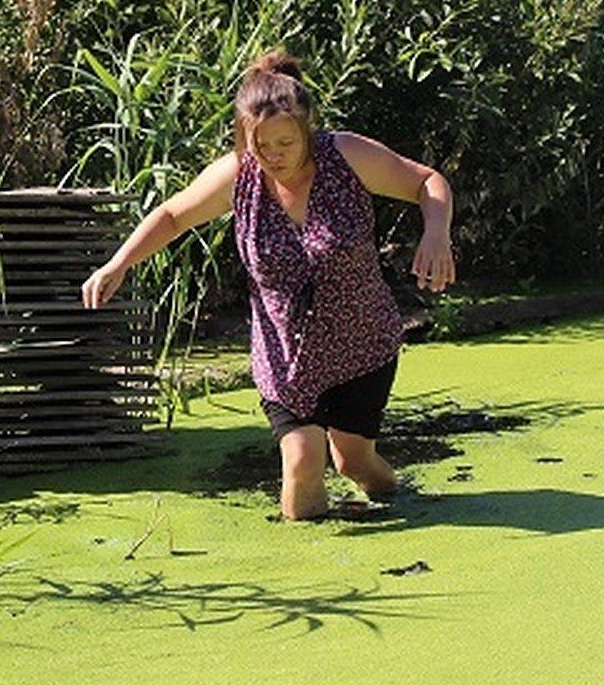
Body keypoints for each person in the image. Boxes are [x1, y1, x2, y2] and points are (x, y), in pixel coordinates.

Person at [81, 49, 455, 520]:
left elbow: (427, 182)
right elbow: (173, 215)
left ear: (307, 131)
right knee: (301, 462)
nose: (275, 156)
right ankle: (313, 572)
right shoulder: (239, 177)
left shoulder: (346, 156)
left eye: (287, 143)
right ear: (244, 137)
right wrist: (119, 263)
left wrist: (436, 233)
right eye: (262, 145)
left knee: (352, 461)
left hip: (361, 340)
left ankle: (403, 500)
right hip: (286, 356)